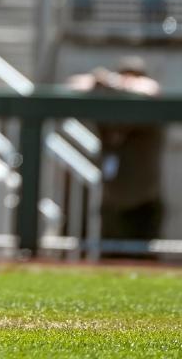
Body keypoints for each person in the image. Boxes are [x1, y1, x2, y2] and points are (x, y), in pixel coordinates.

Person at [67, 57, 164, 254]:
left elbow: (150, 89)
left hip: (142, 202)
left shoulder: (148, 101)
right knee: (110, 261)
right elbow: (73, 84)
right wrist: (101, 80)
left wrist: (114, 82)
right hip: (112, 202)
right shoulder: (110, 106)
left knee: (142, 262)